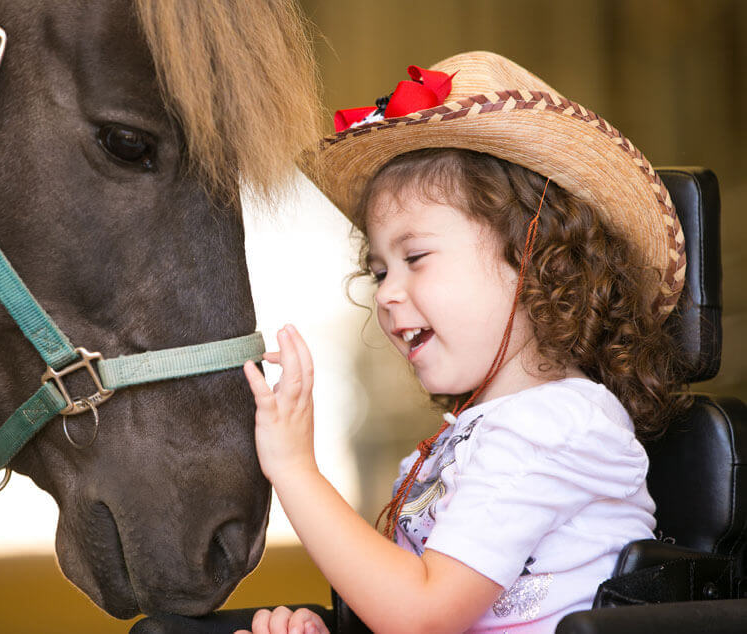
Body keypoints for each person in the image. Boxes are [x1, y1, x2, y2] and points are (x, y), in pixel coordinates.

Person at [237, 51, 692, 634]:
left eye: (416, 258)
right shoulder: (472, 440)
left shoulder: (561, 426)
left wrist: (296, 469)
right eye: (379, 272)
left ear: (533, 258)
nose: (386, 294)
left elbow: (421, 614)